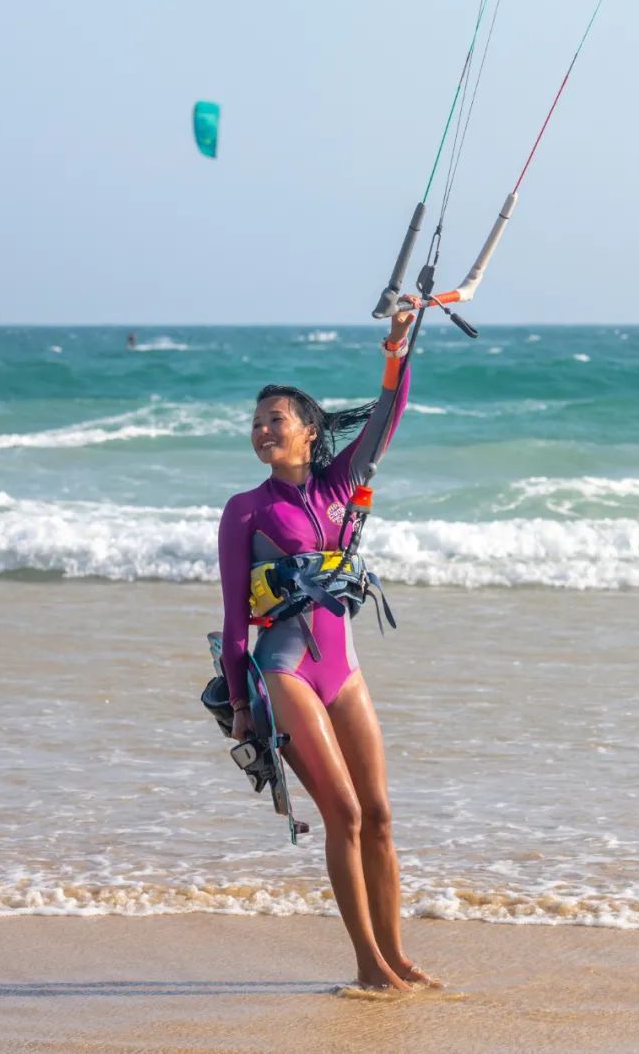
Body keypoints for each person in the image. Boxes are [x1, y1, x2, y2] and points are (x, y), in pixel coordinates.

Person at [217, 311, 437, 992]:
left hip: (344, 670)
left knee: (380, 816)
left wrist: (396, 348)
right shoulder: (245, 509)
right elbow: (234, 617)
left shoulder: (343, 484)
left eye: (275, 419)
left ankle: (396, 955)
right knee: (343, 814)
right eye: (256, 422)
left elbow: (390, 412)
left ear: (309, 430)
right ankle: (368, 963)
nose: (262, 430)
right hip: (285, 670)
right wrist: (240, 706)